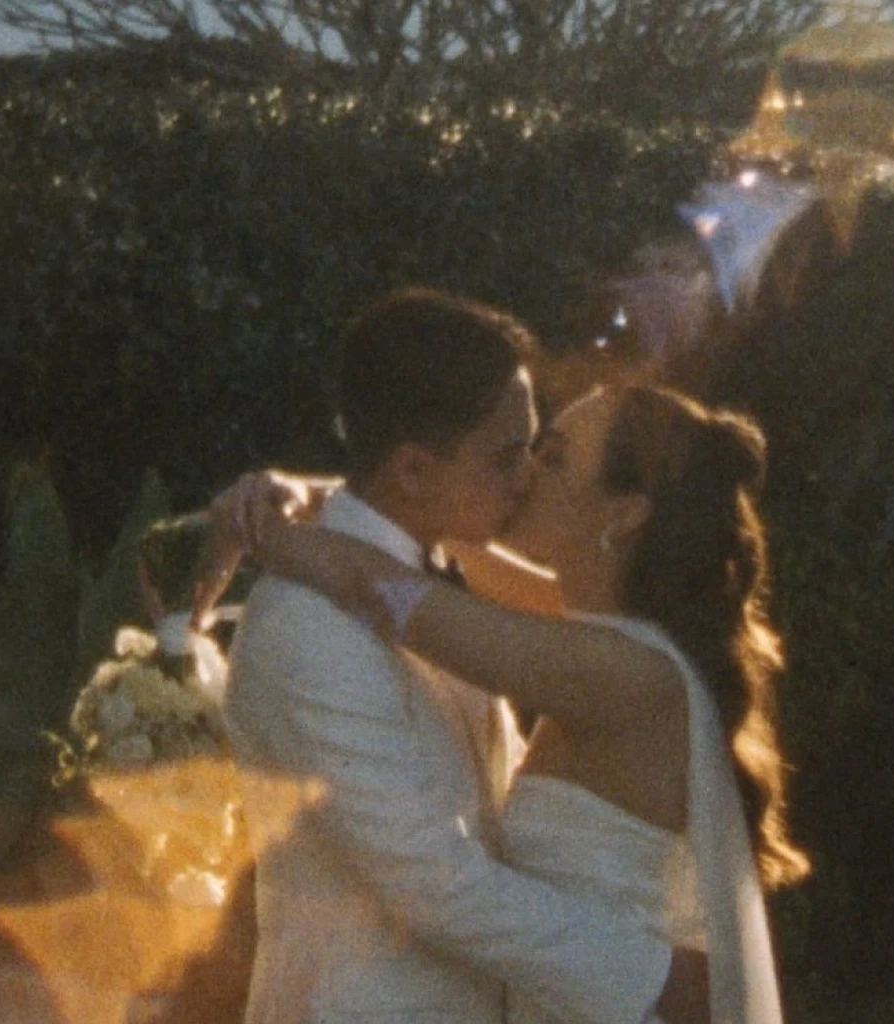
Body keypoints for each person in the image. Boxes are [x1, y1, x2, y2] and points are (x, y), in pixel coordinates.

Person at [205, 380, 811, 1023]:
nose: (522, 474)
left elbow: (384, 586)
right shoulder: (595, 635)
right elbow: (432, 536)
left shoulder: (620, 669)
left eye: (552, 458)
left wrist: (263, 532)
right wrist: (312, 492)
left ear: (626, 513)